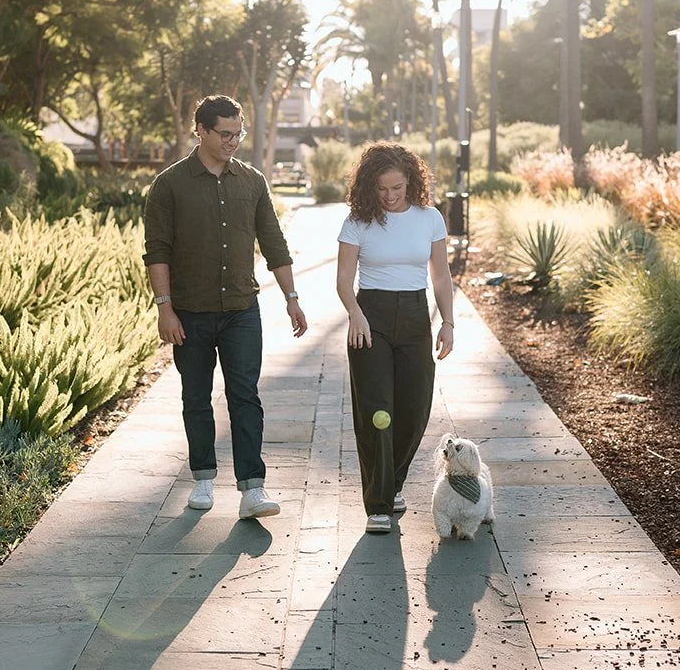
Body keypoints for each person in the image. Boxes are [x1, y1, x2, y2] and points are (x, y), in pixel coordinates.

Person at [143, 95, 308, 519]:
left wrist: (292, 299)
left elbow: (274, 243)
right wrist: (165, 308)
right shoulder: (170, 184)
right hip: (190, 313)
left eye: (239, 133)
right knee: (196, 397)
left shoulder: (251, 181)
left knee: (245, 397)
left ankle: (253, 489)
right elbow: (157, 251)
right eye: (225, 134)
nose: (234, 141)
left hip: (240, 310)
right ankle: (202, 478)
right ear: (200, 130)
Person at [335, 142, 455, 535]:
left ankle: (394, 481)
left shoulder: (429, 218)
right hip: (370, 317)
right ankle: (379, 504)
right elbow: (343, 281)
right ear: (370, 186)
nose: (389, 196)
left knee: (415, 405)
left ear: (411, 182)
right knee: (376, 411)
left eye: (397, 188)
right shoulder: (357, 221)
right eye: (382, 189)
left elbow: (440, 276)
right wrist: (356, 315)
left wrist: (448, 322)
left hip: (415, 315)